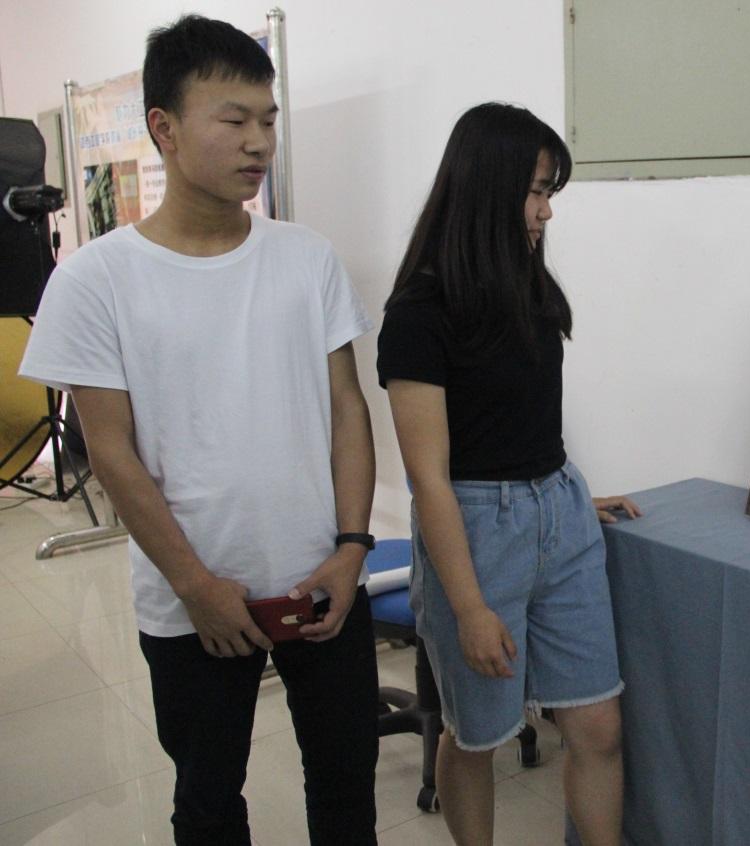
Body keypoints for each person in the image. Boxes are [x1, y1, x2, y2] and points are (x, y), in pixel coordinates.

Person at [19, 15, 379, 845]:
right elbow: (110, 450)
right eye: (235, 119)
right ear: (165, 128)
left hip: (322, 582)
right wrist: (194, 585)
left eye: (269, 120)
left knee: (344, 788)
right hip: (192, 601)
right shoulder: (97, 281)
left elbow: (348, 408)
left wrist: (352, 547)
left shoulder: (306, 257)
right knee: (209, 800)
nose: (259, 142)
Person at [377, 102, 640, 846]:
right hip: (474, 534)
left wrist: (567, 499)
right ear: (488, 188)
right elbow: (429, 478)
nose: (546, 210)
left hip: (558, 511)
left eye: (549, 191)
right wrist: (468, 607)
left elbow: (526, 421)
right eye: (535, 191)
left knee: (597, 724)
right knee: (476, 738)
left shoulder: (527, 286)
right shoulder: (420, 311)